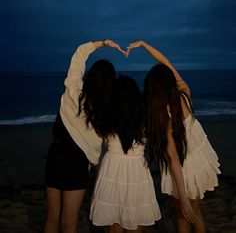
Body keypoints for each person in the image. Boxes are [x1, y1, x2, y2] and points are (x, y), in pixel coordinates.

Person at [127, 41, 220, 233]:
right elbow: (166, 62)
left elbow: (174, 160)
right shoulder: (185, 95)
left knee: (183, 220)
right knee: (196, 213)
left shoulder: (164, 118)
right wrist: (144, 45)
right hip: (201, 163)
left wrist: (183, 198)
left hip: (185, 172)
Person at [44, 39, 125, 233]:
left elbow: (80, 53)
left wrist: (104, 43)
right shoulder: (104, 113)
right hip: (77, 164)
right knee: (69, 223)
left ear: (90, 77)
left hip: (55, 155)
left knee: (52, 218)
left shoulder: (73, 90)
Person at [90, 75, 161, 233]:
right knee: (135, 222)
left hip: (112, 168)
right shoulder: (145, 118)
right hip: (136, 169)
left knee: (113, 221)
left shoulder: (106, 117)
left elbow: (102, 138)